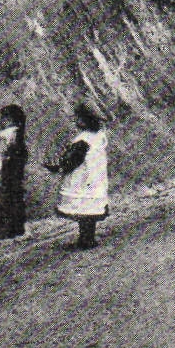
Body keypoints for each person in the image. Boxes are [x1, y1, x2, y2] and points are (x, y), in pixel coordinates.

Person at [46, 102, 109, 249]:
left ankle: (86, 240)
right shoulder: (99, 136)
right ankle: (88, 237)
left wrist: (59, 167)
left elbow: (73, 159)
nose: (75, 120)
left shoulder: (83, 140)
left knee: (83, 209)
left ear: (84, 120)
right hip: (95, 178)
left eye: (78, 118)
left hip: (83, 179)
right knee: (90, 210)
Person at [0, 104, 28, 238]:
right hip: (16, 171)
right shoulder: (18, 133)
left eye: (3, 118)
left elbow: (3, 153)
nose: (0, 121)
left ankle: (11, 228)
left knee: (9, 198)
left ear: (11, 119)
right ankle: (18, 227)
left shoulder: (7, 134)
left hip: (8, 170)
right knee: (16, 198)